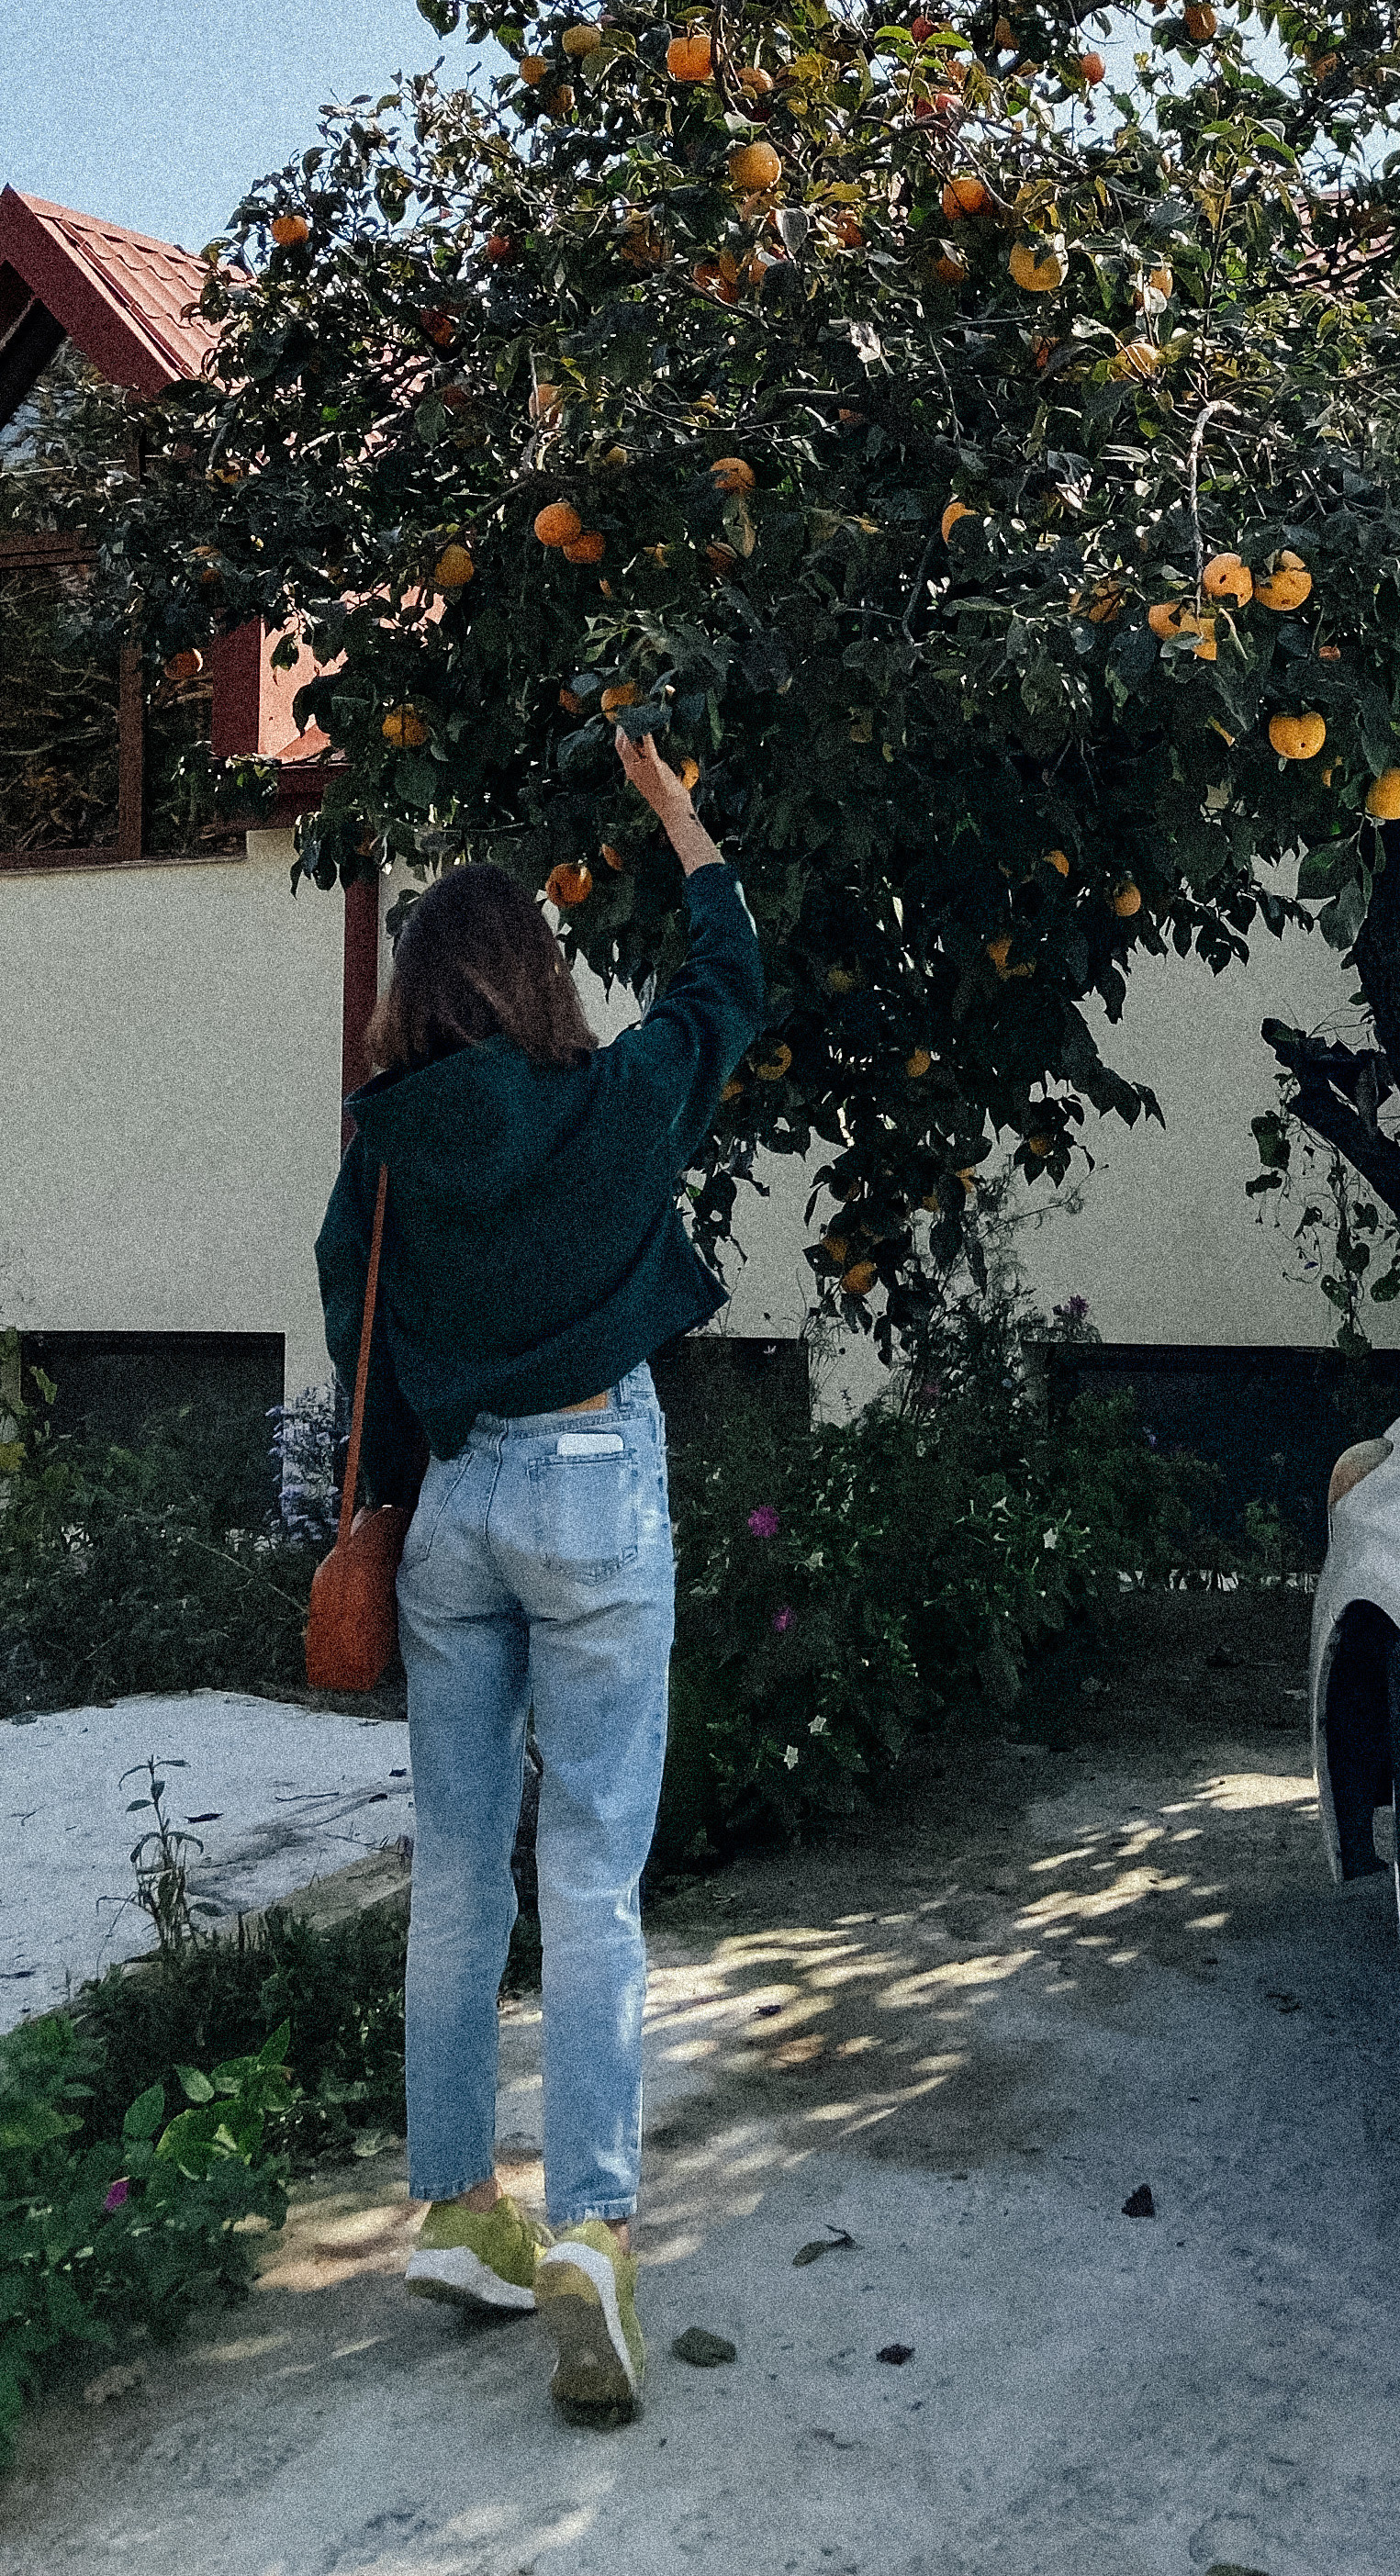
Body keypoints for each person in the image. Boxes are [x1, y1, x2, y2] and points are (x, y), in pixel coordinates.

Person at [316, 734, 761, 2421]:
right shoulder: (616, 1103)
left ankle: (449, 2207)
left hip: (449, 1523)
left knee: (454, 1871)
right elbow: (730, 979)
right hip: (591, 1485)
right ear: (539, 978)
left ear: (417, 998)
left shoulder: (389, 1147)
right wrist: (670, 814)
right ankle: (588, 2227)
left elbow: (348, 1297)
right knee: (588, 1879)